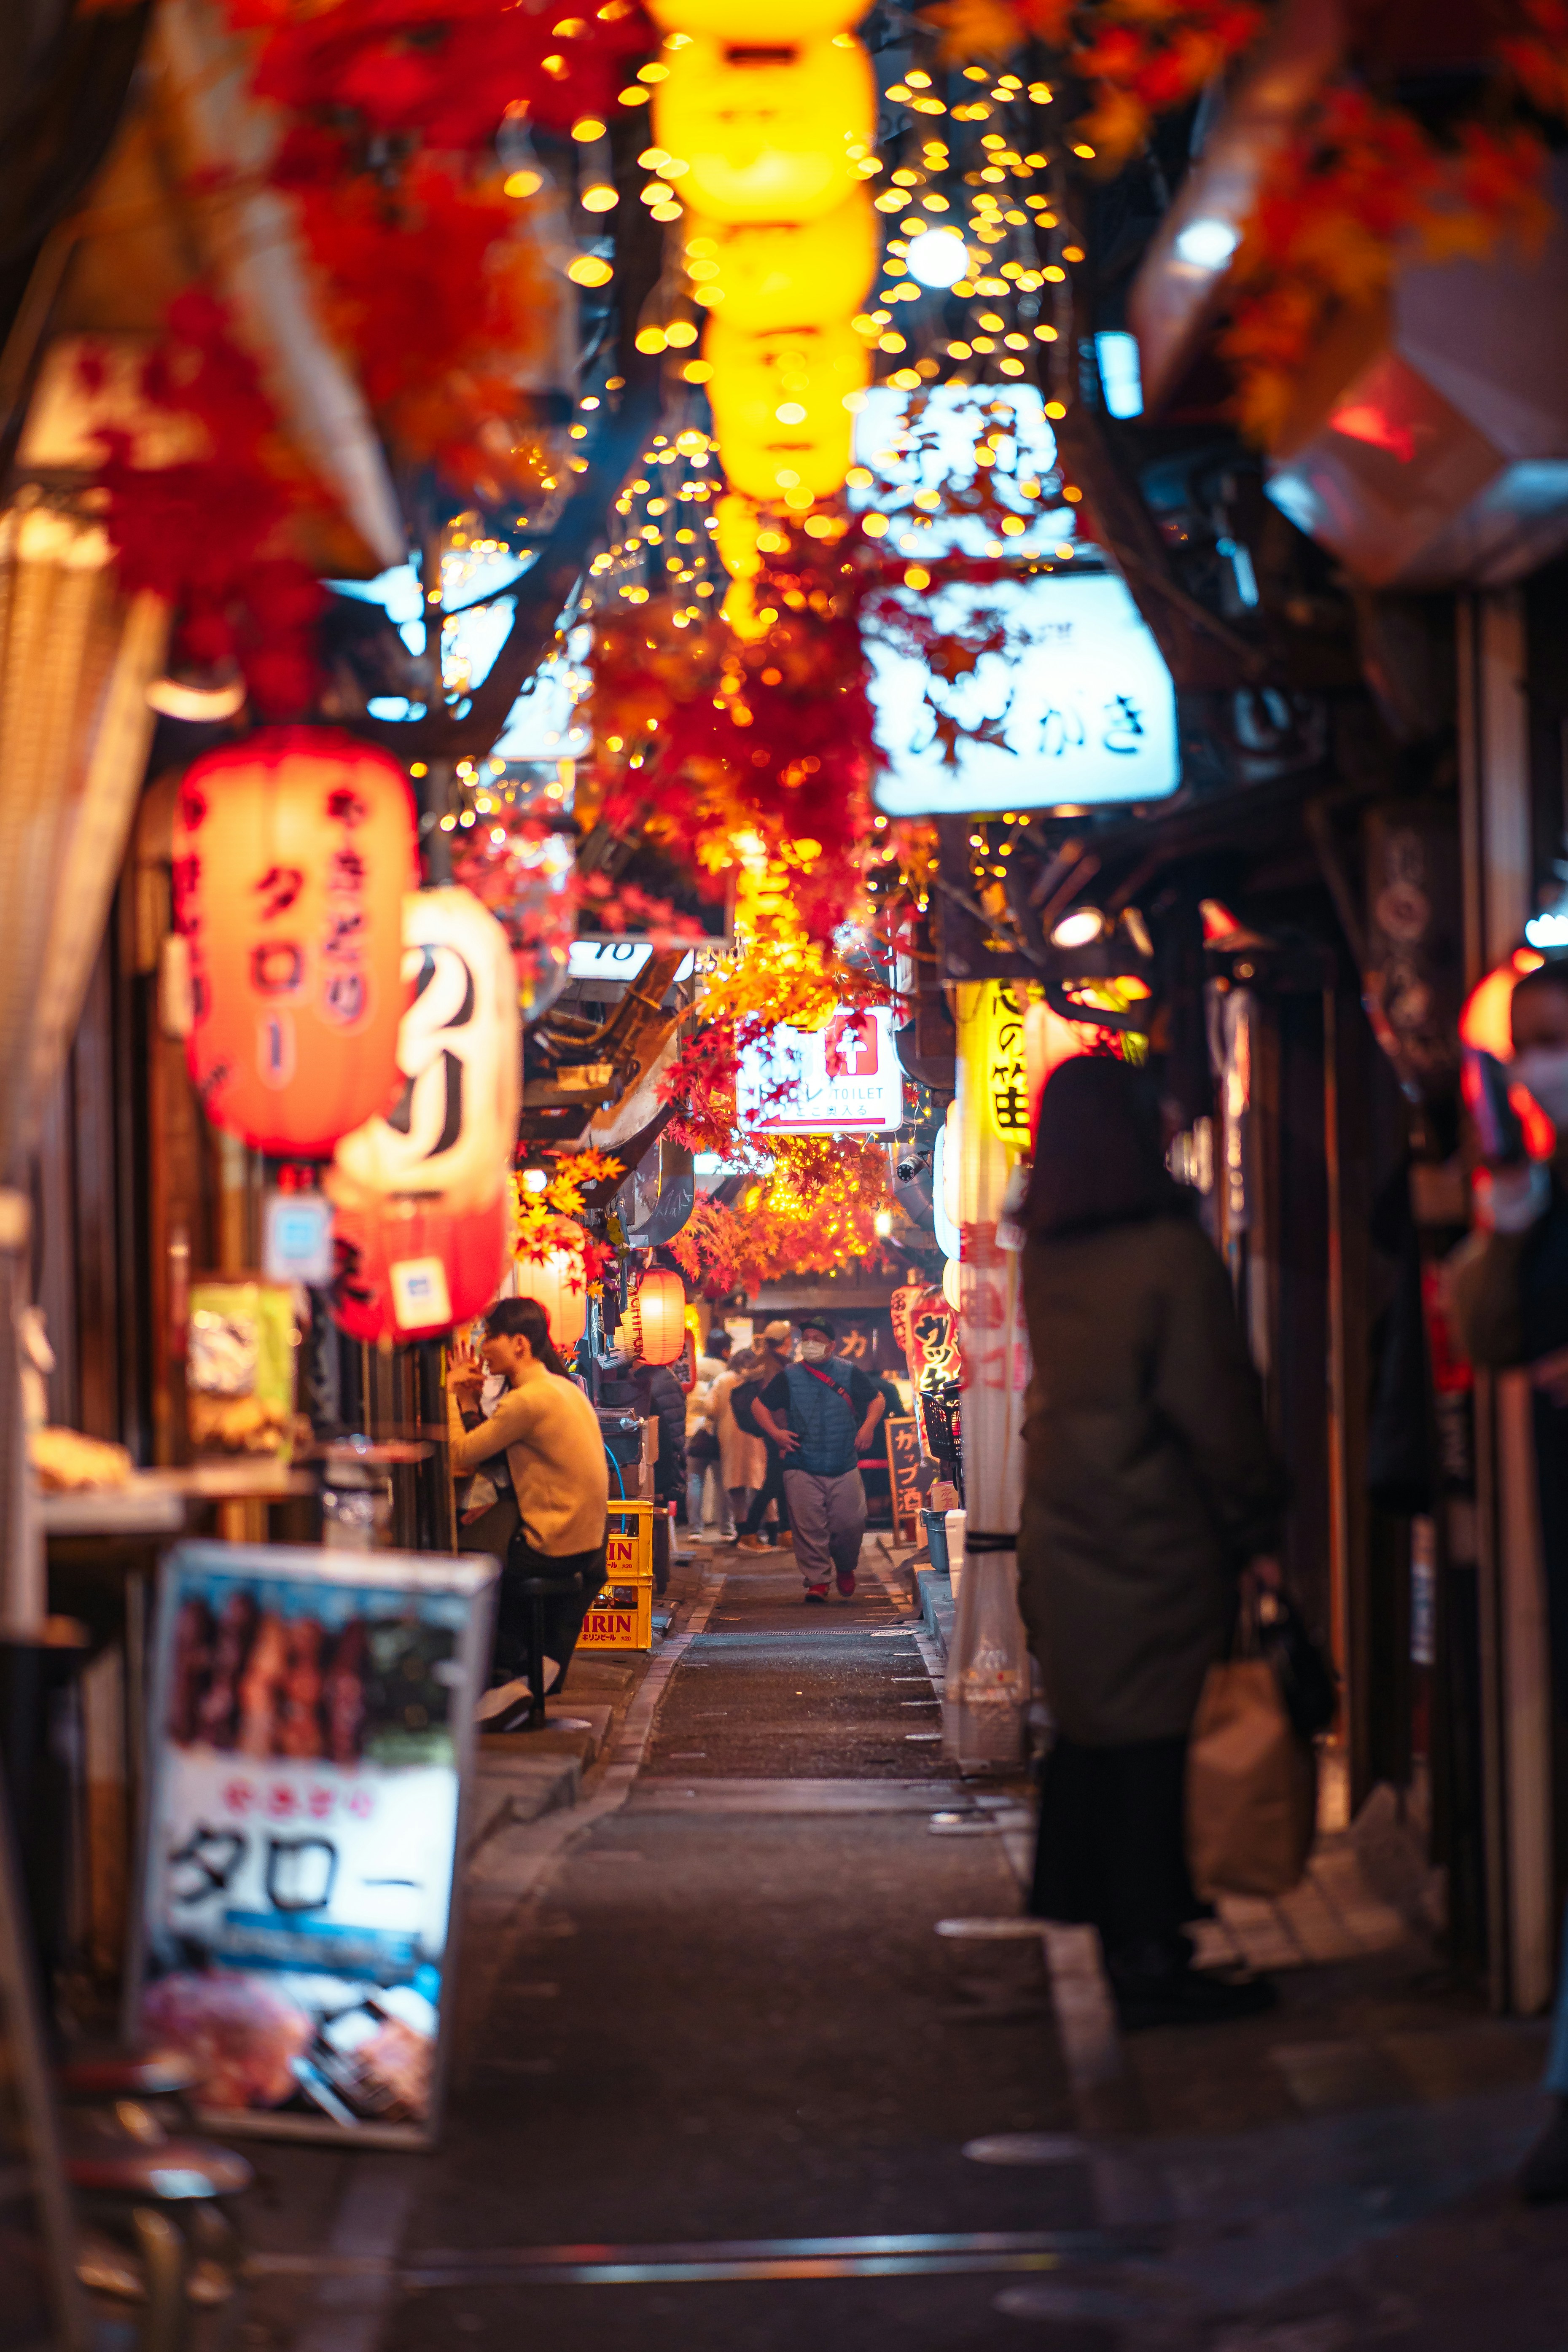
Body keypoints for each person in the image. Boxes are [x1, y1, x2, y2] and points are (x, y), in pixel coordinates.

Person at [1017, 1055, 1285, 2031]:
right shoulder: (1168, 1255)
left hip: (1070, 1530)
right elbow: (1213, 1403)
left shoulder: (1047, 1253)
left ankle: (1120, 1937)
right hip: (1158, 1534)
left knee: (1097, 1740)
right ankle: (1152, 1946)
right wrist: (1256, 1523)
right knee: (1158, 1746)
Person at [1449, 957, 1568, 2199]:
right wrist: (1504, 1205)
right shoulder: (1525, 1176)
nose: (1544, 1061)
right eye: (1531, 1038)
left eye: (1559, 1037)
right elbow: (1485, 1328)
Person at [448, 1297, 609, 1733]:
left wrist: (450, 1388)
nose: (481, 1346)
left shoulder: (529, 1400)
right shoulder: (561, 1389)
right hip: (589, 1544)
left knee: (475, 1573)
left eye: (488, 1336)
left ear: (519, 1343)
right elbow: (494, 1445)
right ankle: (525, 1680)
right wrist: (468, 1398)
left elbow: (462, 1451)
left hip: (553, 1544)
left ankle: (506, 1682)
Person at [753, 1314, 884, 1602]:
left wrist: (867, 1427)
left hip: (843, 1462)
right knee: (808, 1525)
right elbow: (759, 1406)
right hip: (801, 1463)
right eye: (807, 1339)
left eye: (818, 1340)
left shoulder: (849, 1372)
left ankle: (846, 1567)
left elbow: (877, 1399)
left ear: (832, 1345)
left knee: (850, 1522)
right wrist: (776, 1434)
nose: (810, 1344)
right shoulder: (789, 1375)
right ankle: (817, 1580)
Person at [735, 1323, 796, 1552]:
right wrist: (780, 1435)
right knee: (773, 1482)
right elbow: (775, 1405)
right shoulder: (773, 1367)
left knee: (780, 1481)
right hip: (777, 1431)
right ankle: (749, 1533)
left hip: (773, 1431)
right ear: (786, 1341)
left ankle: (785, 1532)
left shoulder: (763, 1362)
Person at [710, 1344, 768, 1536]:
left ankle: (743, 1531)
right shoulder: (762, 1381)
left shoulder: (723, 1380)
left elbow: (711, 1409)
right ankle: (771, 1528)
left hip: (731, 1436)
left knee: (737, 1485)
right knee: (764, 1483)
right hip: (761, 1435)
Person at [686, 1331, 734, 1543]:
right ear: (725, 1350)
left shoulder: (693, 1366)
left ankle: (695, 1530)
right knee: (723, 1482)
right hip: (715, 1433)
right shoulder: (727, 1372)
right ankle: (726, 1529)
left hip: (692, 1432)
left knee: (694, 1481)